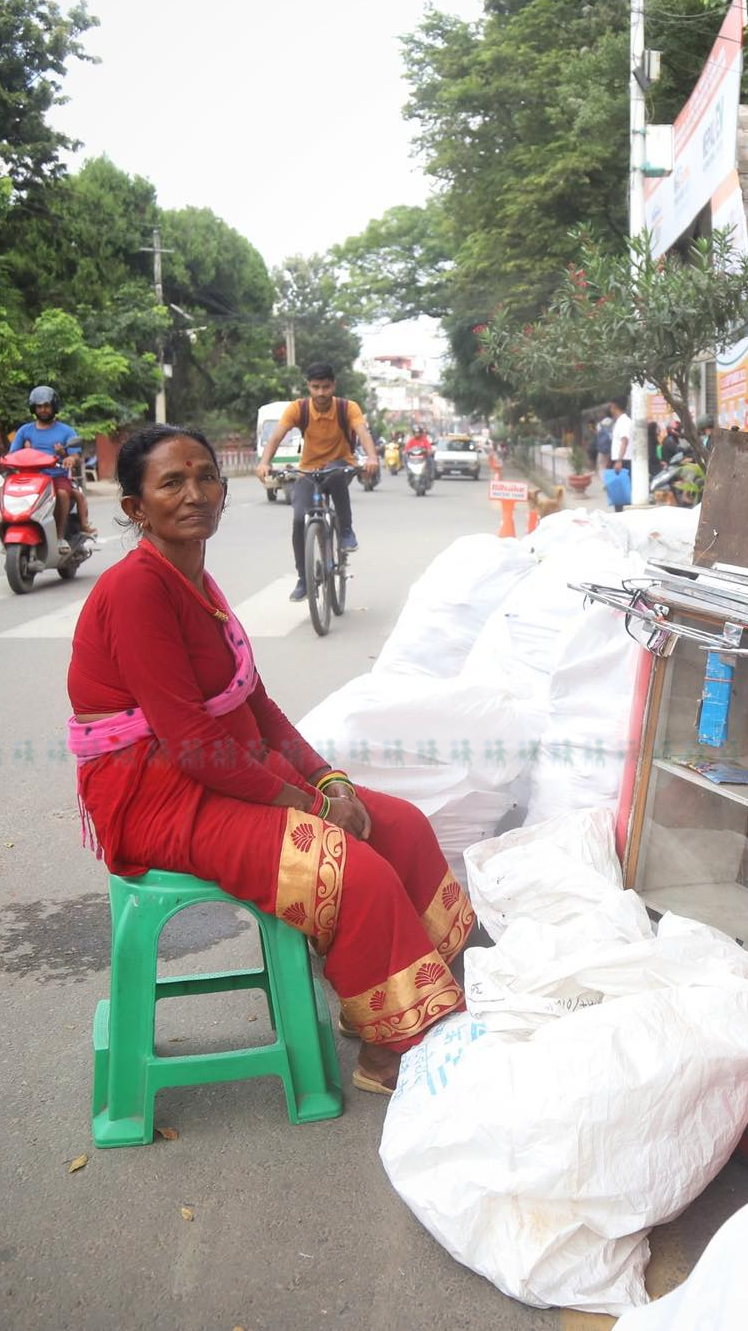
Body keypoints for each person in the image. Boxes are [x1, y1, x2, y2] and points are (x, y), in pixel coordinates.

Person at [68, 425, 472, 1094]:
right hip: (158, 795)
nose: (195, 494)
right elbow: (192, 743)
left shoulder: (195, 577)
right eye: (172, 483)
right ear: (136, 507)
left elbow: (255, 705)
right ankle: (391, 1051)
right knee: (352, 872)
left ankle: (417, 996)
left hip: (219, 767)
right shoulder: (136, 589)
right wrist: (314, 809)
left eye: (206, 477)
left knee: (398, 824)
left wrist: (328, 780)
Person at [257, 364, 380, 601]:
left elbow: (363, 433)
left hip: (339, 465)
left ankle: (346, 531)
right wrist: (264, 462)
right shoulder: (298, 409)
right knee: (298, 519)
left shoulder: (347, 408)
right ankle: (304, 579)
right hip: (309, 470)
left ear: (333, 386)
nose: (321, 392)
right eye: (316, 387)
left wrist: (372, 458)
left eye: (326, 387)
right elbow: (276, 436)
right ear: (308, 387)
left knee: (335, 475)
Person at [9, 386, 95, 539]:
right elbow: (12, 454)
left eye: (47, 406)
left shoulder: (66, 431)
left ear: (54, 407)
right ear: (34, 408)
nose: (43, 410)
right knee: (4, 491)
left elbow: (75, 456)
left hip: (56, 476)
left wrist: (68, 457)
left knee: (62, 494)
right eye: (39, 406)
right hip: (31, 478)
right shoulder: (24, 430)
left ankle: (60, 536)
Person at [606, 399, 636, 512]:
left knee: (622, 493)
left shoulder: (624, 422)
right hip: (621, 460)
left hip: (623, 461)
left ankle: (621, 516)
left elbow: (624, 441)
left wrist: (619, 461)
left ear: (614, 406)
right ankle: (619, 514)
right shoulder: (620, 421)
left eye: (610, 406)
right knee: (618, 493)